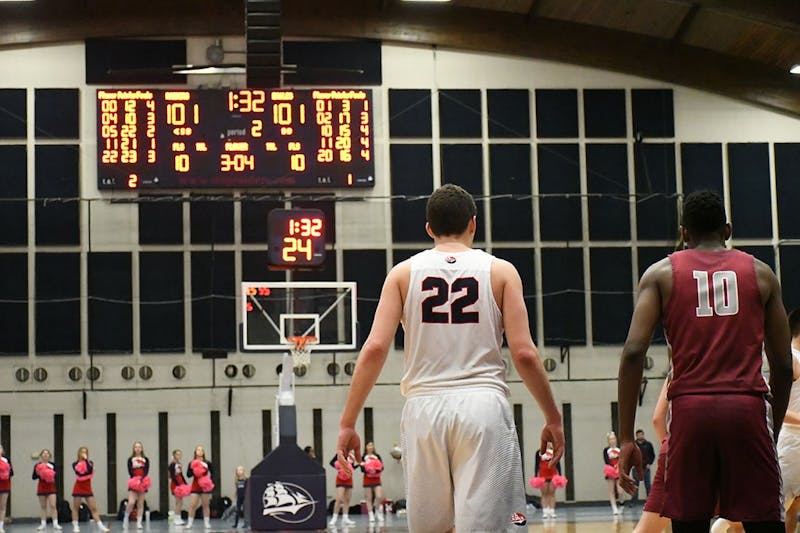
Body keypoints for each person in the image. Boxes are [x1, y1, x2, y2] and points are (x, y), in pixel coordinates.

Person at [335, 184, 564, 532]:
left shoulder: (402, 273)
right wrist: (553, 418)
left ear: (429, 228)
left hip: (423, 409)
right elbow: (524, 354)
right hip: (483, 406)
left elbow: (375, 349)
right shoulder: (501, 271)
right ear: (474, 224)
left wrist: (348, 422)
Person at [618, 190, 793, 533]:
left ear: (684, 233)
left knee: (689, 524)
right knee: (763, 522)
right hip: (746, 408)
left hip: (689, 412)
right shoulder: (761, 273)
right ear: (728, 230)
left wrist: (626, 437)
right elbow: (784, 365)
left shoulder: (660, 274)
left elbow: (634, 351)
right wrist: (770, 428)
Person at [777, 308, 800, 533]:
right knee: (776, 507)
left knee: (793, 508)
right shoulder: (790, 358)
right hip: (791, 442)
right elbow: (778, 407)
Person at [70, 447, 109, 533]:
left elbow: (89, 470)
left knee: (93, 508)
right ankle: (76, 526)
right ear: (79, 453)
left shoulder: (90, 463)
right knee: (75, 508)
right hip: (78, 487)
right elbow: (79, 472)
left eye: (85, 452)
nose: (84, 453)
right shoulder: (75, 464)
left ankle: (101, 526)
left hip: (87, 487)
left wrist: (86, 460)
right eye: (82, 452)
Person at [123, 441, 150, 530]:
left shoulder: (145, 459)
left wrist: (142, 479)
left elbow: (146, 470)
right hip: (134, 481)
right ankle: (126, 517)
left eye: (139, 447)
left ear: (142, 449)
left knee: (140, 503)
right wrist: (136, 480)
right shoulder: (130, 459)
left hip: (142, 481)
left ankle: (139, 522)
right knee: (131, 502)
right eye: (136, 447)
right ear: (134, 449)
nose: (138, 448)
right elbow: (130, 471)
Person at [186, 445, 214, 529]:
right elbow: (188, 475)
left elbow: (213, 472)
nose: (200, 451)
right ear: (195, 452)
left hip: (205, 485)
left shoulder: (207, 462)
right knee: (192, 505)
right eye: (198, 450)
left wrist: (209, 481)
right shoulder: (192, 462)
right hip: (195, 485)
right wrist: (194, 470)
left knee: (205, 505)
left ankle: (206, 522)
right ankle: (190, 523)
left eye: (201, 450)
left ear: (203, 452)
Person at [532, 442, 563, 519]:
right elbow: (537, 464)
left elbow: (558, 464)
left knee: (552, 493)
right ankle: (545, 512)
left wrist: (560, 475)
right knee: (544, 494)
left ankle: (552, 511)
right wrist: (536, 475)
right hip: (543, 475)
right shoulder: (538, 453)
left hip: (553, 475)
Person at [33, 449, 59, 531]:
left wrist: (49, 474)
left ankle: (55, 524)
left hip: (51, 487)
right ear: (41, 456)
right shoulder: (38, 465)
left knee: (53, 505)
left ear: (50, 456)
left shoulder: (53, 465)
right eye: (43, 453)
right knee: (43, 506)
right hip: (41, 487)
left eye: (47, 453)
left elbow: (57, 476)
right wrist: (40, 473)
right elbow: (33, 477)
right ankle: (43, 524)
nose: (45, 455)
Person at [328, 451, 356, 527]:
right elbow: (331, 462)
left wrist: (358, 465)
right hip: (340, 478)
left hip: (349, 478)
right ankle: (334, 517)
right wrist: (340, 468)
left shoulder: (351, 454)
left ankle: (345, 517)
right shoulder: (339, 453)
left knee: (347, 499)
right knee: (339, 498)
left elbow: (352, 467)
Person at [360, 442, 385, 524]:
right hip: (367, 478)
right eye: (369, 445)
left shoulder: (377, 456)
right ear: (366, 447)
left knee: (379, 496)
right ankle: (371, 514)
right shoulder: (363, 457)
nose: (370, 447)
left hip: (376, 478)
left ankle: (377, 512)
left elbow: (382, 467)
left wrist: (375, 470)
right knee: (368, 498)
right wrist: (368, 470)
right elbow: (362, 469)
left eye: (372, 445)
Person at [631, 429, 655, 502]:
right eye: (639, 435)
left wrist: (649, 463)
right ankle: (634, 501)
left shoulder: (648, 444)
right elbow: (630, 456)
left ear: (643, 435)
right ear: (636, 436)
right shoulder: (633, 445)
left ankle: (650, 501)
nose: (640, 436)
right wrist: (632, 464)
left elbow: (652, 455)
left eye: (641, 434)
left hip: (646, 467)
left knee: (648, 485)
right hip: (636, 468)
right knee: (635, 485)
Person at [603, 432, 622, 516]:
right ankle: (614, 508)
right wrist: (613, 467)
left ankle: (621, 503)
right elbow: (606, 460)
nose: (612, 440)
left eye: (613, 438)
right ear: (608, 441)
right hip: (610, 470)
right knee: (611, 491)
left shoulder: (619, 449)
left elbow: (622, 459)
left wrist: (618, 467)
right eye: (610, 439)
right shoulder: (606, 450)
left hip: (619, 470)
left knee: (620, 490)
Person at [168, 449, 189, 526]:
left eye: (180, 454)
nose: (179, 455)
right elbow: (172, 475)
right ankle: (176, 519)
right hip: (175, 484)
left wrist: (185, 484)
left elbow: (181, 474)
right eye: (177, 454)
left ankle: (178, 517)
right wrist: (177, 485)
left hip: (180, 482)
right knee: (179, 502)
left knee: (180, 502)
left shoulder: (179, 464)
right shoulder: (172, 464)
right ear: (174, 455)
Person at [0, 444, 13, 533]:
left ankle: (1, 526)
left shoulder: (6, 459)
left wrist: (5, 473)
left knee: (3, 506)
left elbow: (11, 472)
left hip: (5, 485)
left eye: (0, 448)